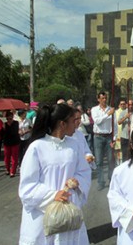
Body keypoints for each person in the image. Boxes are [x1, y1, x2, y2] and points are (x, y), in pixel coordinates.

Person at [18, 104, 91, 244]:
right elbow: (27, 186)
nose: (76, 125)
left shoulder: (74, 145)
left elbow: (84, 171)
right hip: (42, 214)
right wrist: (53, 195)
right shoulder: (37, 147)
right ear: (62, 124)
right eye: (72, 121)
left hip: (68, 210)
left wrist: (77, 181)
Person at [91, 91, 117, 191]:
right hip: (98, 136)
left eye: (106, 98)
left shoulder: (111, 109)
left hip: (109, 136)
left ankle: (111, 180)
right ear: (98, 99)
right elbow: (97, 121)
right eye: (102, 98)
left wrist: (114, 138)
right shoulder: (94, 109)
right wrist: (107, 114)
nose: (104, 100)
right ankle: (101, 182)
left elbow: (114, 124)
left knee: (111, 160)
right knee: (99, 161)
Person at [3, 111, 20, 177]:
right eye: (8, 119)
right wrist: (3, 129)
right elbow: (3, 134)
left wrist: (9, 126)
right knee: (7, 157)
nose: (9, 120)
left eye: (10, 118)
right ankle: (7, 169)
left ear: (13, 117)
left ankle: (13, 171)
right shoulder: (4, 124)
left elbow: (14, 132)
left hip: (15, 142)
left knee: (14, 157)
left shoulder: (16, 123)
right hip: (7, 142)